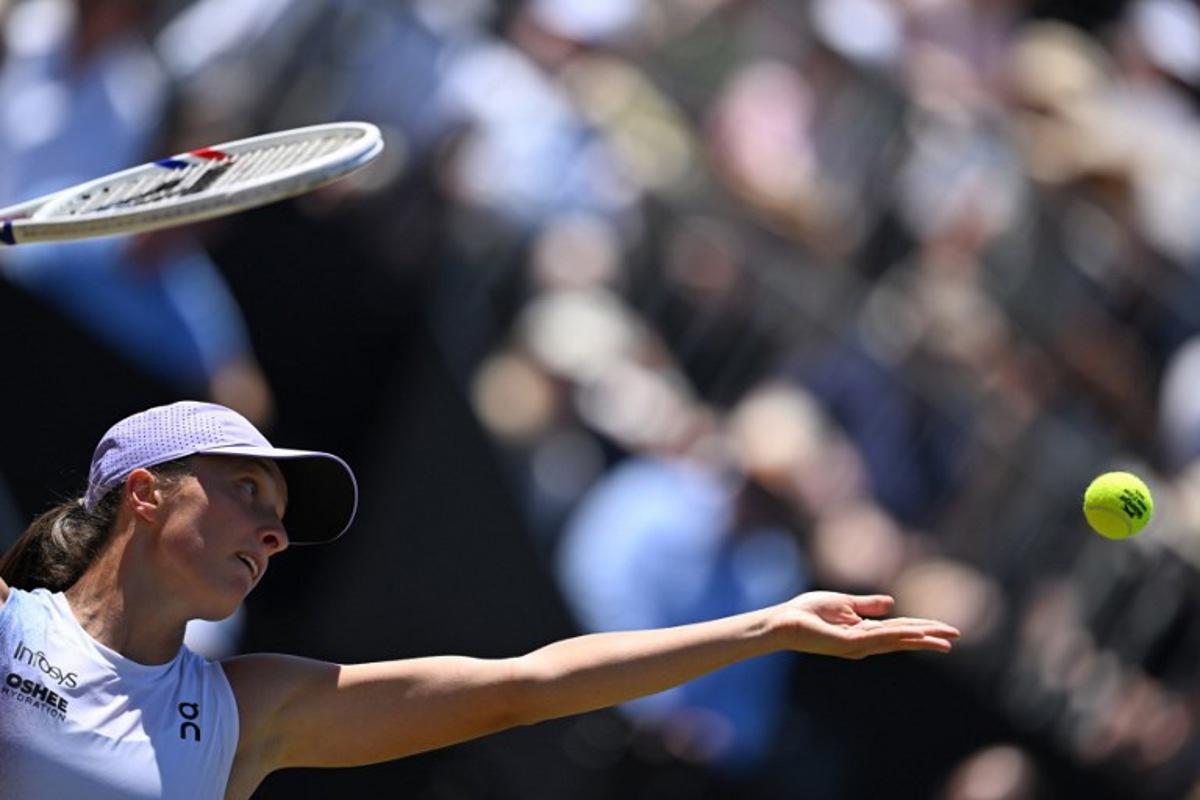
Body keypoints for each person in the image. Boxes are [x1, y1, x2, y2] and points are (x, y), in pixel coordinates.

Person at [0, 401, 961, 799]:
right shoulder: (10, 622)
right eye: (247, 490)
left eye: (281, 518)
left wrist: (766, 628)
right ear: (146, 492)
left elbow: (525, 686)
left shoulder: (244, 716)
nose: (272, 531)